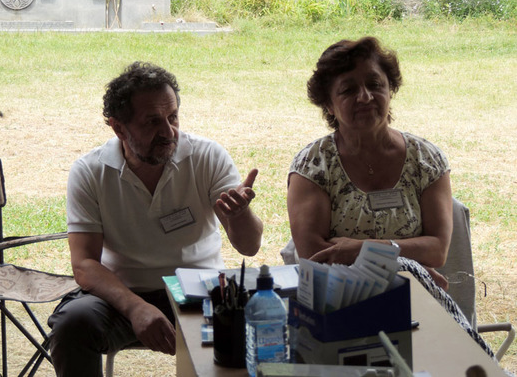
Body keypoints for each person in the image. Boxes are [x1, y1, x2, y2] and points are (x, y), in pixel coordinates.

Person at [285, 36, 500, 360]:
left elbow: (437, 249)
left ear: (391, 90)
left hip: (419, 308)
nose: (365, 96)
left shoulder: (426, 161)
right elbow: (317, 256)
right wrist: (405, 264)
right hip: (342, 314)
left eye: (375, 84)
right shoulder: (313, 166)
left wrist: (358, 249)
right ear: (328, 104)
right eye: (348, 90)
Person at [48, 61, 263, 377]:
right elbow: (84, 264)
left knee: (256, 324)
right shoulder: (90, 171)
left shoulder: (207, 156)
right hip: (123, 293)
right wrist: (135, 306)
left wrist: (240, 215)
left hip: (200, 292)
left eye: (172, 116)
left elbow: (249, 247)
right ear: (118, 128)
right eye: (152, 122)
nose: (168, 131)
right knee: (73, 324)